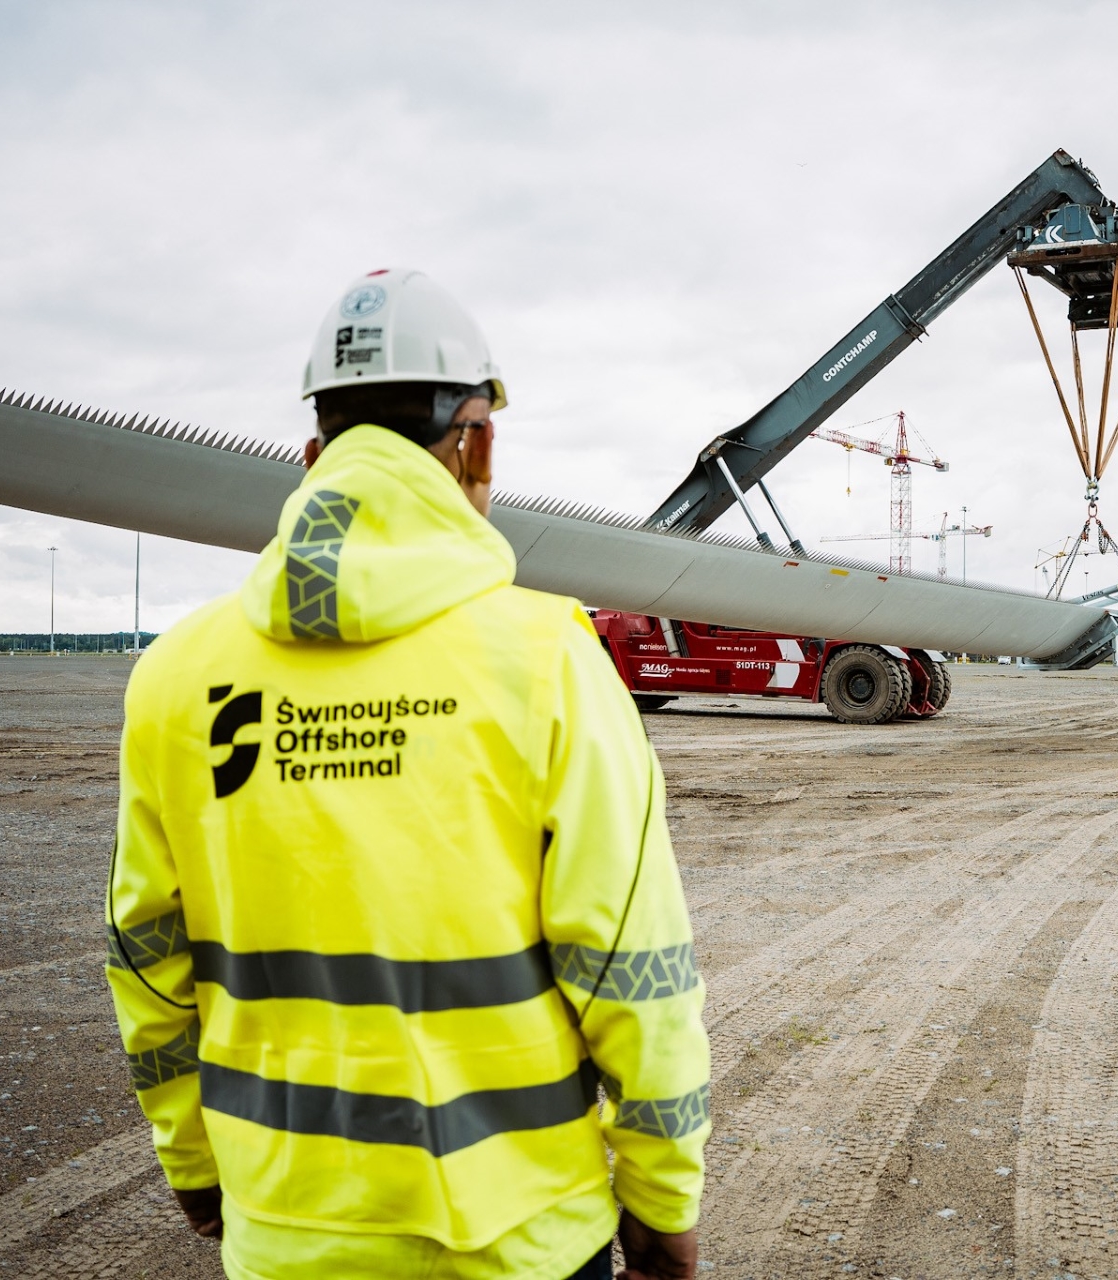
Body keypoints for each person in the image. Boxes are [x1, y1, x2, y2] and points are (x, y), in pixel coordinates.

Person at [106, 269, 708, 1280]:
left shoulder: (174, 675)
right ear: (477, 442)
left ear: (311, 455)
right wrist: (662, 1194)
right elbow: (632, 967)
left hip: (285, 1232)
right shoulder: (548, 657)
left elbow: (147, 966)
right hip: (522, 1237)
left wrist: (197, 1164)